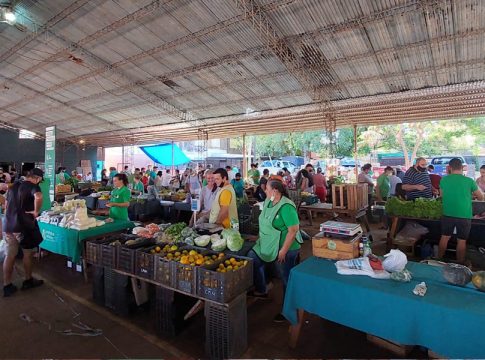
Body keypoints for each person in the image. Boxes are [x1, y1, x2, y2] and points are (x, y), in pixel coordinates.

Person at [247, 178, 303, 322]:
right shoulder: (268, 201)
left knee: (285, 278)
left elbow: (293, 230)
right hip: (267, 243)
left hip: (286, 247)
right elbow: (265, 222)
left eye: (267, 188)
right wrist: (259, 237)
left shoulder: (286, 207)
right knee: (252, 258)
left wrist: (283, 251)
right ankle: (263, 288)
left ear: (275, 191)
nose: (264, 190)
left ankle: (288, 311)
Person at [3, 168, 45, 297]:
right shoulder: (33, 187)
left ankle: (7, 285)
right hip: (23, 227)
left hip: (9, 226)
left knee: (9, 255)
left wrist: (8, 218)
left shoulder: (13, 186)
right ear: (37, 178)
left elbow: (5, 204)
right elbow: (39, 197)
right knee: (28, 253)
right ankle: (28, 280)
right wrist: (36, 211)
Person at [438, 158, 484, 263]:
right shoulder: (469, 181)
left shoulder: (444, 180)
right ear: (462, 168)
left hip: (447, 213)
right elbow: (480, 197)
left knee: (444, 237)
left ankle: (438, 260)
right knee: (461, 240)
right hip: (464, 214)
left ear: (450, 168)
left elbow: (441, 196)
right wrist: (469, 195)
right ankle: (460, 263)